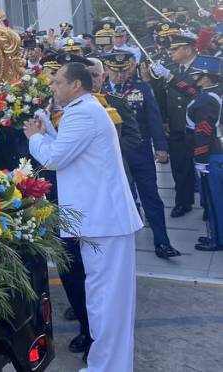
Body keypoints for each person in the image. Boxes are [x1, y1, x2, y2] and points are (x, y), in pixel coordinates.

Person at [25, 62, 143, 372]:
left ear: (76, 85)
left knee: (107, 304)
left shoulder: (82, 112)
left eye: (58, 82)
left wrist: (33, 137)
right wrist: (46, 129)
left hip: (105, 222)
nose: (53, 87)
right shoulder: (85, 109)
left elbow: (54, 157)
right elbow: (68, 148)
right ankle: (106, 365)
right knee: (101, 300)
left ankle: (108, 367)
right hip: (101, 222)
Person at [104, 51, 181, 259]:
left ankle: (162, 242)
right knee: (121, 198)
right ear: (106, 69)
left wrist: (161, 147)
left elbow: (154, 118)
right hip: (113, 155)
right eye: (115, 71)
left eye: (124, 70)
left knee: (151, 196)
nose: (120, 75)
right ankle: (121, 243)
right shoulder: (99, 92)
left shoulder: (141, 88)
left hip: (140, 151)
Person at [150, 30, 199, 217]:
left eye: (175, 49)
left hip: (199, 127)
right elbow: (163, 97)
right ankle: (183, 202)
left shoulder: (202, 67)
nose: (171, 53)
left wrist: (171, 79)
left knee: (203, 168)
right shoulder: (172, 67)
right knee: (179, 168)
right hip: (177, 126)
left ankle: (210, 205)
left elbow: (196, 93)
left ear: (187, 49)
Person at [186, 55, 223, 251]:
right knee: (212, 199)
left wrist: (200, 159)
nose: (195, 78)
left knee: (214, 200)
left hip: (208, 155)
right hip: (211, 153)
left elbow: (203, 132)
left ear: (206, 78)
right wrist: (170, 78)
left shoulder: (206, 101)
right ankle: (215, 235)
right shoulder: (209, 94)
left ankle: (218, 240)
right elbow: (190, 90)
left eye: (197, 75)